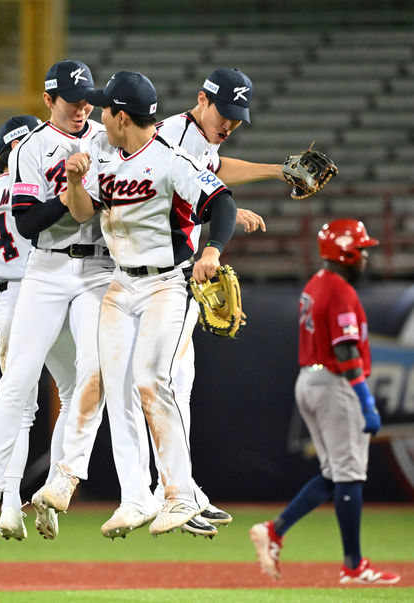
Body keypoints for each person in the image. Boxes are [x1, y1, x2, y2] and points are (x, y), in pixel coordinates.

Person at [62, 70, 238, 537]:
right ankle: (136, 497)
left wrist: (213, 251)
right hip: (120, 288)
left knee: (151, 380)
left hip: (166, 283)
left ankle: (180, 496)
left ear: (121, 116)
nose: (100, 116)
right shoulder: (109, 160)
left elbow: (223, 203)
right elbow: (82, 211)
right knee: (118, 387)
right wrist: (77, 183)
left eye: (105, 110)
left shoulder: (169, 158)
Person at [0, 59, 126, 542]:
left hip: (98, 267)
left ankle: (63, 476)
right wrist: (68, 189)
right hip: (46, 268)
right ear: (48, 100)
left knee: (93, 372)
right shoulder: (30, 148)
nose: (82, 107)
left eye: (87, 100)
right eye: (72, 100)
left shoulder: (105, 137)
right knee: (17, 380)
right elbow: (27, 224)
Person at [155, 67, 291, 537]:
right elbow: (158, 192)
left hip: (175, 268)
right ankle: (169, 494)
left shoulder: (201, 136)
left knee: (180, 382)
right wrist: (213, 218)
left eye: (237, 117)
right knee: (164, 382)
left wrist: (275, 171)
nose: (230, 123)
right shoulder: (173, 135)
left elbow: (215, 171)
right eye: (225, 112)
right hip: (158, 270)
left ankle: (182, 490)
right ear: (201, 99)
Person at [249, 219, 400, 585]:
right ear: (345, 251)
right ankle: (354, 566)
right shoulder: (341, 290)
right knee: (349, 475)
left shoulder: (316, 282)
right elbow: (345, 348)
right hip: (335, 382)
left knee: (334, 474)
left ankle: (275, 530)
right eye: (361, 248)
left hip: (310, 379)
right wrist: (365, 398)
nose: (365, 255)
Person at [0, 114, 42, 540]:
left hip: (5, 301)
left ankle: (6, 501)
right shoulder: (32, 183)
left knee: (18, 408)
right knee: (82, 389)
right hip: (41, 293)